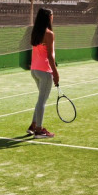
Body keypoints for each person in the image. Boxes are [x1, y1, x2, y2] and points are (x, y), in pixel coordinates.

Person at [28, 8, 60, 138]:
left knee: (41, 99)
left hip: (34, 71)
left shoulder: (35, 32)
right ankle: (39, 130)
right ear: (48, 17)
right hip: (44, 71)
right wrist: (56, 73)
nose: (53, 17)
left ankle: (33, 125)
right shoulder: (49, 34)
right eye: (52, 15)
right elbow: (50, 56)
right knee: (42, 101)